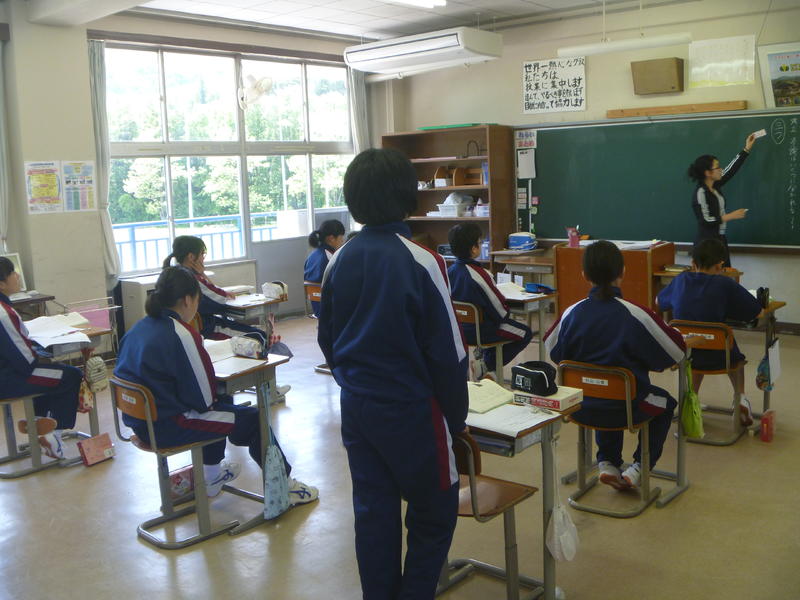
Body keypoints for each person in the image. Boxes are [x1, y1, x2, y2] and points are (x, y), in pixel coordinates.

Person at [318, 148, 468, 599]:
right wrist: (456, 419)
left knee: (373, 512)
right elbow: (449, 355)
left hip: (357, 407)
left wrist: (354, 381)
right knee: (435, 511)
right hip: (413, 411)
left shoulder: (338, 260)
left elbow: (327, 340)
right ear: (407, 196)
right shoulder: (423, 261)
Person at [114, 266, 318, 503]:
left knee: (224, 403)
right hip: (169, 426)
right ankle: (285, 486)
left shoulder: (138, 328)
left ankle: (212, 475)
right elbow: (204, 401)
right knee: (254, 419)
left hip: (140, 423)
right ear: (188, 299)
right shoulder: (181, 334)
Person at [544, 241, 686, 489]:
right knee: (665, 404)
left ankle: (607, 463)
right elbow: (675, 352)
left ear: (584, 275)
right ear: (623, 272)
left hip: (580, 405)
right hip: (628, 407)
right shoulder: (636, 314)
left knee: (604, 389)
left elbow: (552, 348)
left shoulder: (571, 313)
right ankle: (639, 467)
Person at [163, 235, 291, 397]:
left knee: (255, 334)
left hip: (204, 325)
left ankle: (265, 386)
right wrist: (203, 275)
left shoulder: (174, 273)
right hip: (208, 328)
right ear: (191, 257)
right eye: (202, 254)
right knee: (258, 337)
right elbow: (221, 298)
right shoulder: (191, 278)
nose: (203, 258)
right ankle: (268, 389)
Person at [657, 238, 763, 426]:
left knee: (697, 348)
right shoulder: (725, 284)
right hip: (721, 357)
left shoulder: (681, 280)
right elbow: (757, 312)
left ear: (693, 263)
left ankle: (691, 400)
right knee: (736, 358)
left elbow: (659, 302)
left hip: (685, 353)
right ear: (720, 265)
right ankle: (740, 398)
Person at [0, 256, 81, 458]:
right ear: (2, 284)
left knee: (50, 373)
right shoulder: (4, 313)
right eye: (12, 273)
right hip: (8, 378)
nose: (17, 276)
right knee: (71, 375)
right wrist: (41, 354)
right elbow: (26, 362)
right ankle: (54, 436)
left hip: (7, 373)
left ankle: (38, 423)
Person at [447, 222, 533, 378]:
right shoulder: (480, 274)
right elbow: (500, 311)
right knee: (525, 333)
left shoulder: (448, 272)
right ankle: (486, 365)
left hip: (457, 330)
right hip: (481, 331)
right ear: (474, 249)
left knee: (498, 325)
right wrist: (507, 310)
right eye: (480, 243)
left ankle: (485, 365)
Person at [688, 132, 759, 267]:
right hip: (706, 244)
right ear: (708, 173)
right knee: (713, 275)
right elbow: (705, 220)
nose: (721, 169)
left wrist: (746, 149)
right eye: (717, 167)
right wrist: (730, 216)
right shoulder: (700, 192)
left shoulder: (715, 185)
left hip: (719, 239)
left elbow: (731, 169)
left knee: (725, 274)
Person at [303, 219, 346, 318]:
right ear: (331, 238)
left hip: (317, 306)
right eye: (341, 237)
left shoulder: (312, 255)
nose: (343, 241)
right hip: (330, 307)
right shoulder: (330, 257)